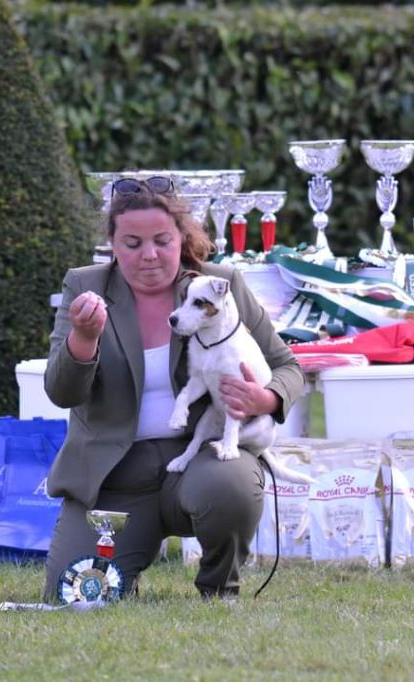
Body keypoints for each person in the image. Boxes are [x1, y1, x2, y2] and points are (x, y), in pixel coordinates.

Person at [42, 176, 304, 602]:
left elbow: (287, 366)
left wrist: (267, 398)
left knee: (231, 486)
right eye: (132, 243)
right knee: (72, 594)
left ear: (182, 237)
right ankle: (127, 560)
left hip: (200, 459)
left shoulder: (220, 284)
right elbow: (62, 393)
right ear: (112, 244)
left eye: (162, 240)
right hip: (115, 477)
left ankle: (218, 588)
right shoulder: (84, 286)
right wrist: (83, 340)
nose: (149, 255)